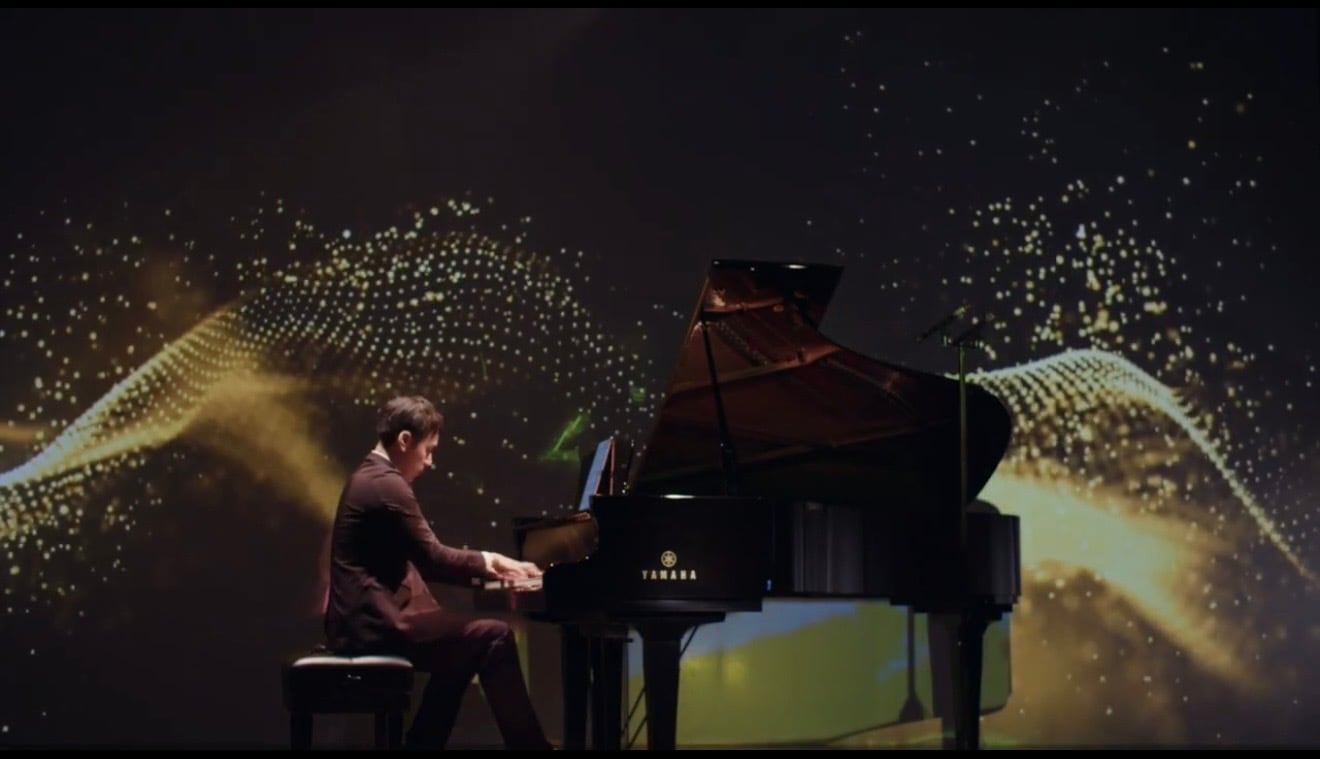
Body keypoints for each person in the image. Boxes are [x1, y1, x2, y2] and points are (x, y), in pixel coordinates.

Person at [324, 395, 553, 750]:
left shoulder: (372, 477)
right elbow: (432, 558)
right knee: (494, 636)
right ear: (404, 440)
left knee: (469, 645)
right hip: (374, 624)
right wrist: (492, 561)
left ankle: (423, 743)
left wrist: (490, 568)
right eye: (428, 450)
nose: (430, 461)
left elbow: (423, 560)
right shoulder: (386, 484)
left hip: (365, 620)